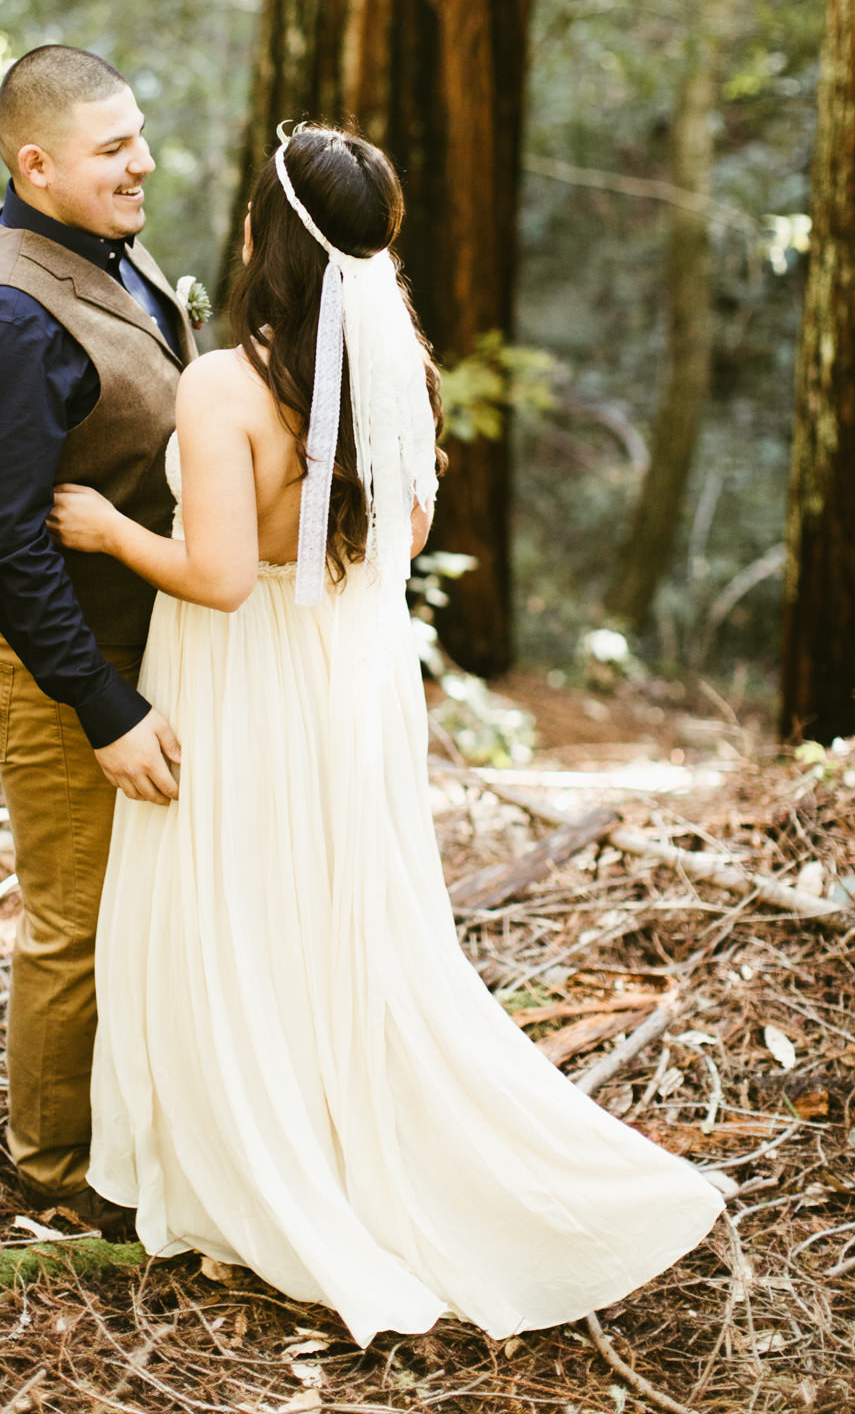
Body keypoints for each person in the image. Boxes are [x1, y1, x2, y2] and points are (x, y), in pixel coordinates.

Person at [48, 123, 725, 1345]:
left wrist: (104, 529)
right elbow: (400, 537)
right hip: (348, 674)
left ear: (264, 238)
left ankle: (249, 1161)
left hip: (243, 672)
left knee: (237, 908)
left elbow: (212, 576)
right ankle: (335, 1127)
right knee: (332, 907)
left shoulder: (224, 385)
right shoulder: (395, 361)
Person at [0, 45, 197, 1223]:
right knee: (75, 918)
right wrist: (102, 704)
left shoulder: (104, 253)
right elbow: (4, 544)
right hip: (49, 661)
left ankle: (134, 1133)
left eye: (138, 133)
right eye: (109, 148)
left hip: (130, 635)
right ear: (35, 165)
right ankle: (49, 1172)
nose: (140, 161)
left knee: (139, 905)